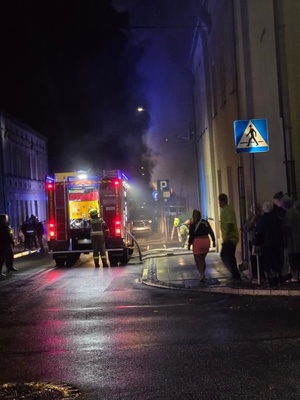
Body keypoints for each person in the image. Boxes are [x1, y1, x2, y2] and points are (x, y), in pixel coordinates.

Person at [256, 201, 283, 286]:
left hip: (266, 244)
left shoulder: (262, 219)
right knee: (276, 261)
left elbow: (259, 231)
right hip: (276, 243)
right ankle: (277, 278)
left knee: (267, 262)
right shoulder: (277, 218)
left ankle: (269, 279)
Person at [218, 193, 241, 282]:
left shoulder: (228, 210)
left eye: (219, 201)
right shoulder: (227, 210)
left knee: (226, 256)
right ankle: (234, 274)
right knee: (229, 256)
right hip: (229, 238)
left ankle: (235, 275)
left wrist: (227, 237)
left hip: (231, 238)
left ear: (222, 201)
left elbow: (230, 224)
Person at [188, 209, 216, 282]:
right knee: (202, 259)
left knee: (198, 260)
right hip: (206, 241)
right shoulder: (205, 223)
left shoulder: (193, 224)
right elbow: (211, 232)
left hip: (198, 242)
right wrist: (213, 241)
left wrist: (189, 243)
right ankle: (202, 274)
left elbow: (191, 235)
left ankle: (201, 274)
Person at [281, 196, 300, 283]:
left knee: (293, 259)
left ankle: (295, 277)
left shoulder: (289, 213)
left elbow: (286, 227)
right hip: (297, 239)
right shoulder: (295, 211)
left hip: (293, 241)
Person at [243, 202, 263, 281]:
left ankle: (261, 274)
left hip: (261, 240)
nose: (257, 211)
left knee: (261, 258)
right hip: (253, 240)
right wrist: (252, 221)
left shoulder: (262, 217)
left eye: (258, 209)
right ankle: (255, 274)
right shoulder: (250, 217)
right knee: (253, 258)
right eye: (255, 209)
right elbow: (246, 228)